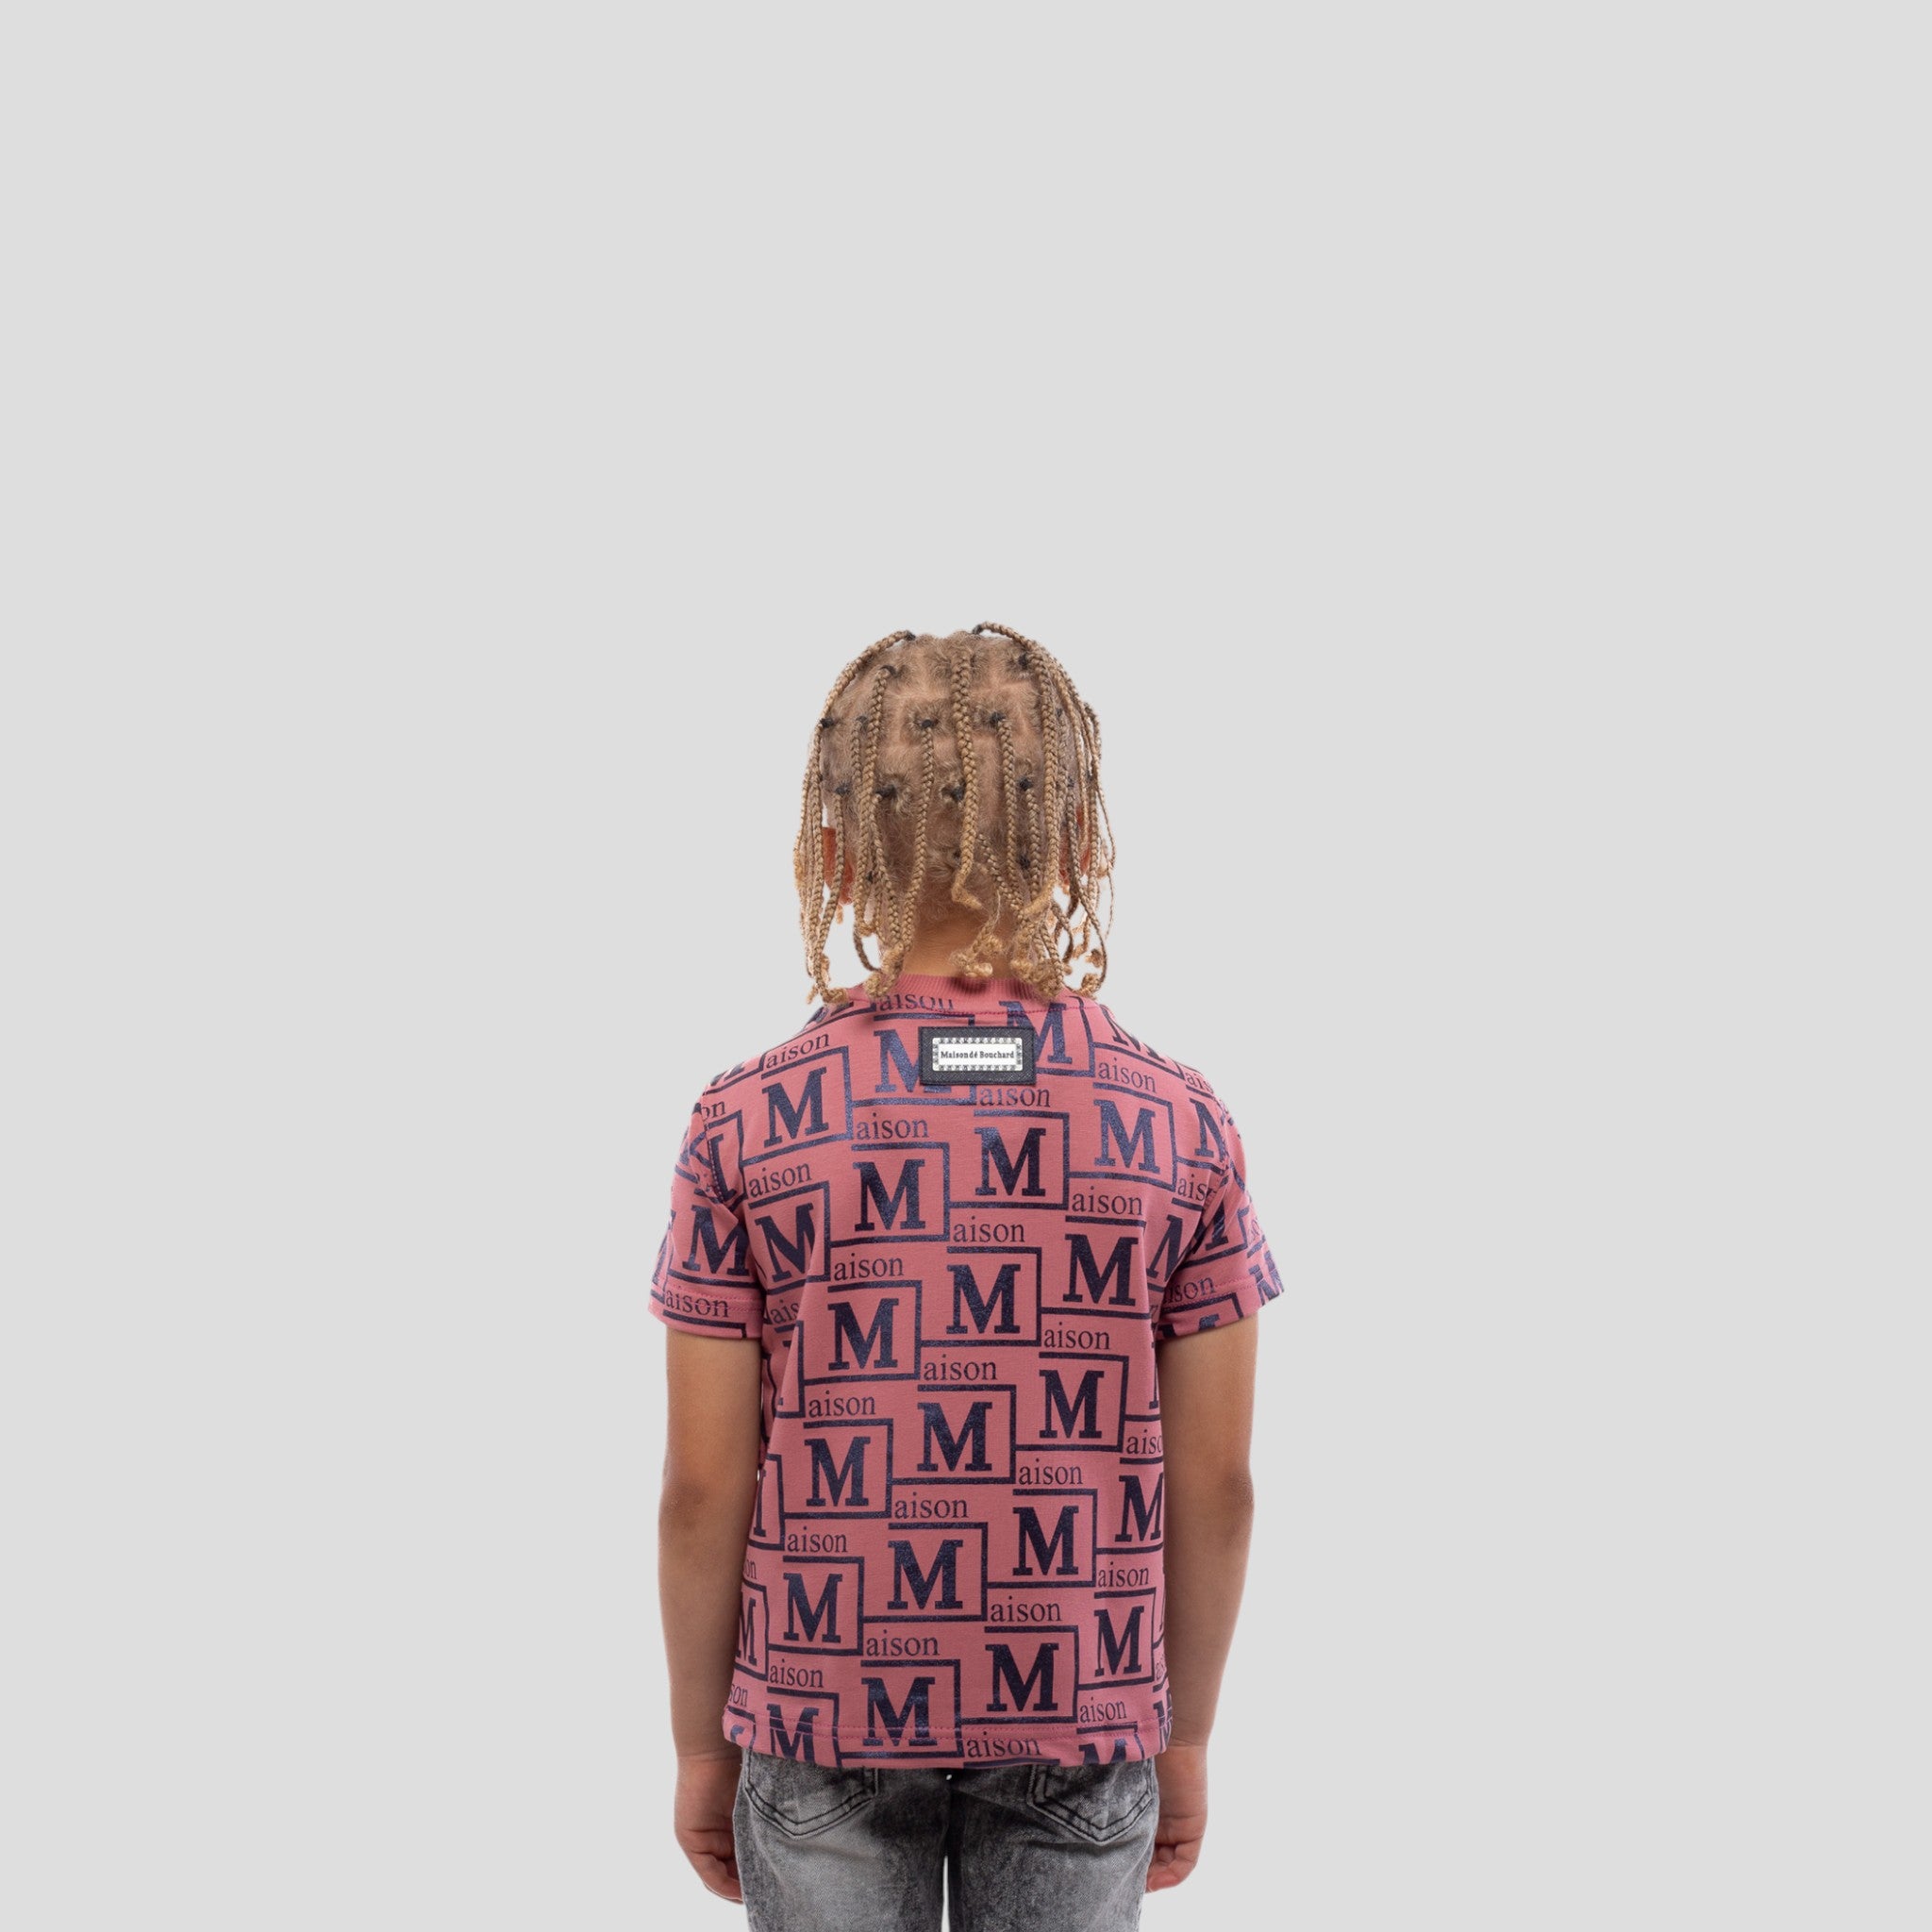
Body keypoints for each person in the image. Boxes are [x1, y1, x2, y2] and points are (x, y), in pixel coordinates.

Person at [650, 624, 1283, 1930]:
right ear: (1079, 842)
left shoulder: (746, 1121)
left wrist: (704, 1747)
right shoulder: (1178, 1122)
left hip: (819, 1700)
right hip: (1082, 1699)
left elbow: (704, 1485)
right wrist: (1184, 1735)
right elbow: (1218, 1483)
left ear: (832, 850)